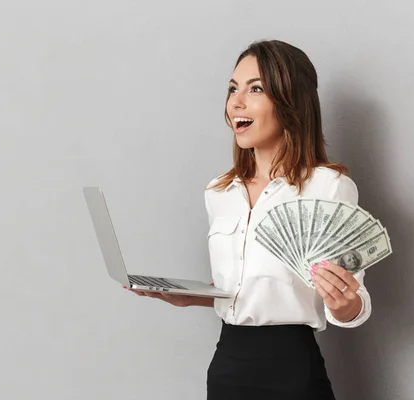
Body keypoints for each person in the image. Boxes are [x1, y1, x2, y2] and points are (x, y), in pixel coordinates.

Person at [125, 39, 372, 399]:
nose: (236, 102)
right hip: (228, 364)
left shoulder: (330, 188)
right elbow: (247, 288)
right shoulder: (219, 192)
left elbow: (356, 301)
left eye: (255, 88)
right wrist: (190, 296)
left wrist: (346, 303)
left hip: (292, 369)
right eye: (232, 89)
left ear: (291, 101)